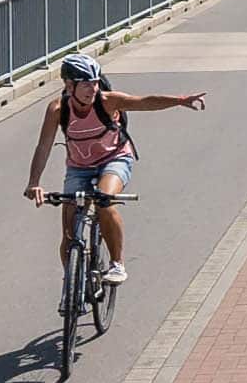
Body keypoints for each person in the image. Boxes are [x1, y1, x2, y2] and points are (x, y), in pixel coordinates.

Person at [27, 50, 204, 285]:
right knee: (69, 232)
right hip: (79, 167)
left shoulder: (107, 101)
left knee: (104, 199)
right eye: (86, 84)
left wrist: (180, 100)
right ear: (69, 86)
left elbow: (145, 102)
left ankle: (117, 263)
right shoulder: (58, 109)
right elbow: (43, 146)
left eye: (95, 82)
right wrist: (34, 183)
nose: (93, 89)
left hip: (114, 159)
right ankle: (72, 284)